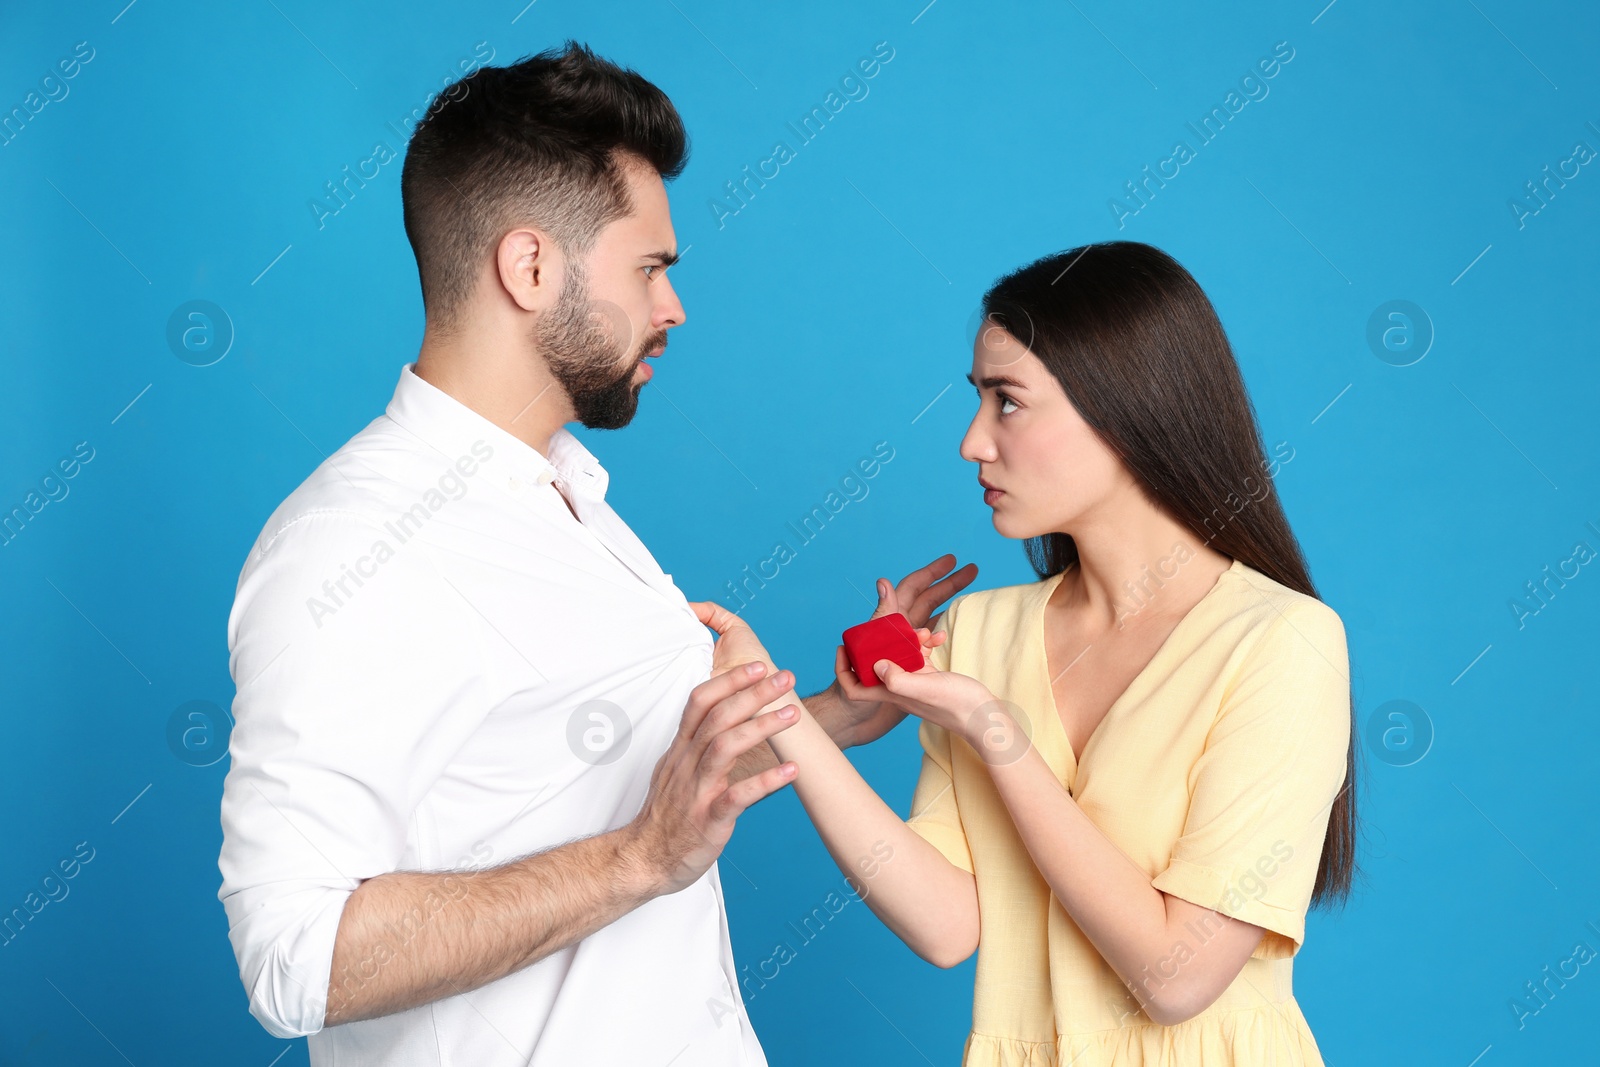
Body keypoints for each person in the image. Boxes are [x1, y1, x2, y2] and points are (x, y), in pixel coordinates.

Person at [215, 41, 969, 1066]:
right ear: (530, 266)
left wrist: (833, 715)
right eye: (651, 268)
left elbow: (611, 779)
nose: (673, 308)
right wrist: (637, 859)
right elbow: (293, 959)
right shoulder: (349, 546)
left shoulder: (567, 490)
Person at [705, 241, 1359, 1065]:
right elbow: (947, 923)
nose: (972, 442)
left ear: (1128, 408)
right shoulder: (980, 632)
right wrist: (784, 714)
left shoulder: (1281, 640)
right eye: (978, 400)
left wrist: (994, 730)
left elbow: (1174, 977)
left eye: (1006, 402)